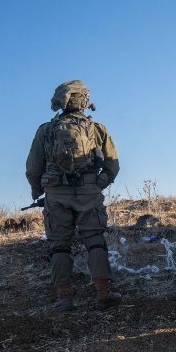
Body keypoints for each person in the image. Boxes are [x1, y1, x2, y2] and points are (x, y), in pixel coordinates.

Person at [26, 80, 121, 312]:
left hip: (56, 195)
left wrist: (38, 190)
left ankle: (64, 299)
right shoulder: (97, 129)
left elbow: (33, 168)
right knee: (95, 242)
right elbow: (113, 165)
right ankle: (103, 295)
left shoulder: (45, 130)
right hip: (89, 194)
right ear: (84, 101)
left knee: (59, 246)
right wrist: (98, 183)